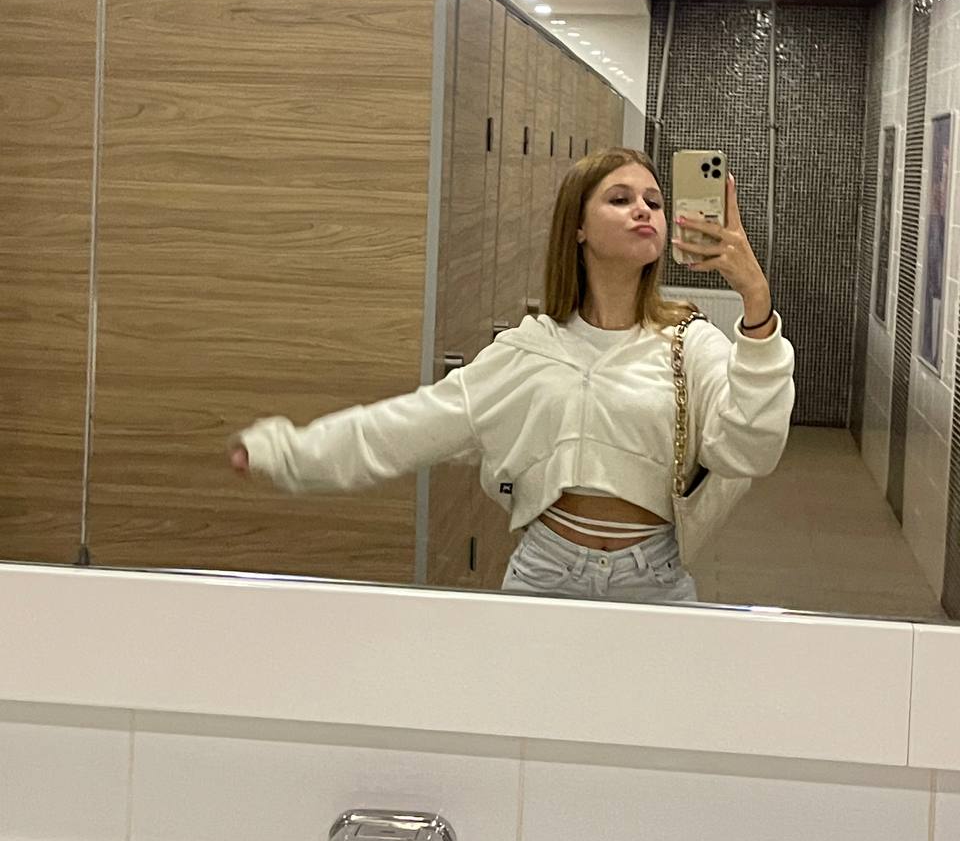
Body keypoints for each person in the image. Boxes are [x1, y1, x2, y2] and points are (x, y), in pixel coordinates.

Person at [229, 147, 795, 605]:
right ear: (577, 227)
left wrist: (756, 301)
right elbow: (406, 427)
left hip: (654, 579)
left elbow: (752, 450)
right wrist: (289, 453)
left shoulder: (689, 342)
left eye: (654, 201)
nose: (643, 211)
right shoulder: (530, 351)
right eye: (620, 199)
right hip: (545, 573)